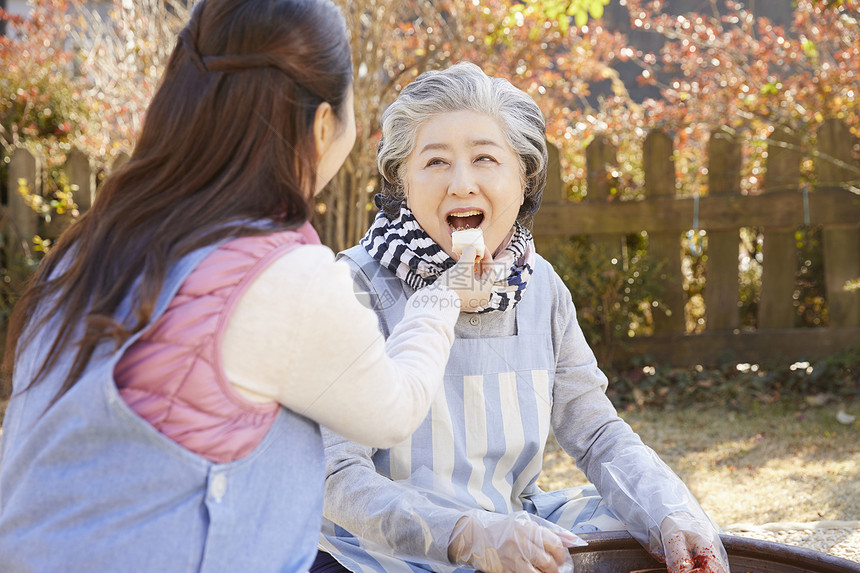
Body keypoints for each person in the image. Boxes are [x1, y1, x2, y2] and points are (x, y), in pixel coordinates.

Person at [0, 3, 494, 571]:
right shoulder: (281, 276)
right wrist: (442, 296)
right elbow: (394, 408)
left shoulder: (91, 245)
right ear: (323, 125)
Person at [312, 62, 730, 573]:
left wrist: (670, 509)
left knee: (640, 527)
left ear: (524, 176)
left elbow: (597, 432)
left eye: (485, 158)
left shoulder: (541, 286)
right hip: (371, 554)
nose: (462, 184)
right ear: (402, 180)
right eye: (435, 162)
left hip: (507, 527)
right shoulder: (353, 286)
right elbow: (336, 476)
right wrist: (465, 535)